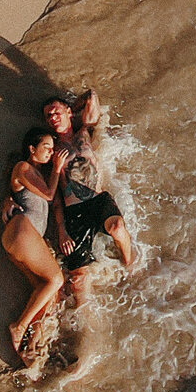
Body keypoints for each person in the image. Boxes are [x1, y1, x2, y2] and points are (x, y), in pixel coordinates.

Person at [42, 88, 136, 276]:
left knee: (117, 227)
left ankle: (130, 265)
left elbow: (91, 96)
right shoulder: (51, 148)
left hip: (98, 200)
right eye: (48, 116)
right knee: (78, 277)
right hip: (74, 211)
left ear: (68, 112)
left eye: (56, 112)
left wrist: (71, 109)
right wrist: (61, 229)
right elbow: (54, 193)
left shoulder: (84, 133)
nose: (53, 117)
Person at [0, 128, 65, 361]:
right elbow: (48, 194)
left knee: (48, 294)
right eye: (46, 147)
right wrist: (57, 168)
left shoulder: (35, 174)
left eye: (52, 149)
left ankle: (32, 347)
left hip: (24, 240)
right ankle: (19, 327)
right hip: (22, 231)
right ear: (31, 149)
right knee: (56, 279)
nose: (51, 152)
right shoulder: (23, 167)